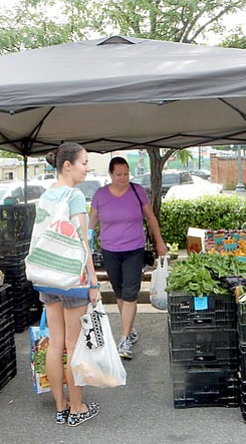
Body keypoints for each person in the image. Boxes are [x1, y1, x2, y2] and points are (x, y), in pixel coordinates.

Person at [35, 142, 101, 427]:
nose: (88, 168)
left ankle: (61, 405)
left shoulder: (45, 195)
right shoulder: (73, 196)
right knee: (75, 345)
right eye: (84, 162)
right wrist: (94, 279)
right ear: (67, 165)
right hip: (73, 278)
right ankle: (77, 408)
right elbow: (82, 241)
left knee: (55, 344)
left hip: (48, 275)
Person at [89, 157, 167, 360]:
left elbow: (151, 218)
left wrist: (160, 242)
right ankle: (129, 328)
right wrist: (83, 246)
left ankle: (124, 339)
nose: (123, 178)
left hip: (134, 249)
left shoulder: (137, 191)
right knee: (120, 293)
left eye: (126, 174)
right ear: (110, 174)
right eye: (118, 174)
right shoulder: (100, 195)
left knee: (131, 292)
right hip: (109, 250)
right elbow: (91, 223)